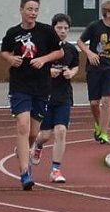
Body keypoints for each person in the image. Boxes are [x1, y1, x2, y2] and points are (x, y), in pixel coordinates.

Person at [0, 0, 64, 190]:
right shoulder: (13, 33)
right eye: (29, 9)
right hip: (20, 86)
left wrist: (43, 60)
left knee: (34, 132)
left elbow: (59, 52)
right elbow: (4, 51)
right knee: (22, 125)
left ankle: (24, 149)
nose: (33, 13)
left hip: (41, 87)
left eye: (36, 9)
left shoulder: (46, 31)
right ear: (21, 10)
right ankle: (24, 172)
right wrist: (10, 60)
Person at [29, 13, 80, 183]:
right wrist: (47, 72)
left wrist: (70, 73)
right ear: (53, 29)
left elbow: (76, 67)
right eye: (59, 28)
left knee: (61, 131)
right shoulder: (43, 47)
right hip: (44, 95)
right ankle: (37, 145)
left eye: (66, 28)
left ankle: (55, 170)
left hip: (63, 96)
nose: (63, 31)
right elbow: (33, 67)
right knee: (44, 134)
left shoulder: (71, 50)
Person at [77, 0, 110, 145]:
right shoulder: (94, 26)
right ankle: (99, 125)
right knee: (94, 103)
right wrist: (89, 54)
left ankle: (104, 132)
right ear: (108, 13)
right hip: (95, 68)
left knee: (107, 100)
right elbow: (80, 41)